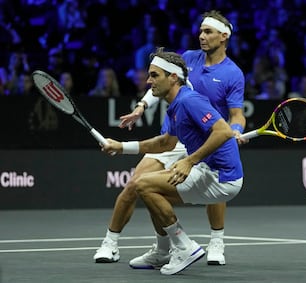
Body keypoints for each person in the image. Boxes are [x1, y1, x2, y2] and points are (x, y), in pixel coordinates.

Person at [93, 10, 246, 266]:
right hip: (175, 136)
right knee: (138, 183)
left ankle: (214, 240)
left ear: (224, 36)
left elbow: (236, 115)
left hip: (207, 138)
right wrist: (142, 107)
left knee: (207, 182)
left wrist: (235, 131)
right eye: (200, 31)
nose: (201, 36)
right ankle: (119, 244)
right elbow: (161, 81)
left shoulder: (233, 73)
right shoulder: (188, 59)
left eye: (208, 32)